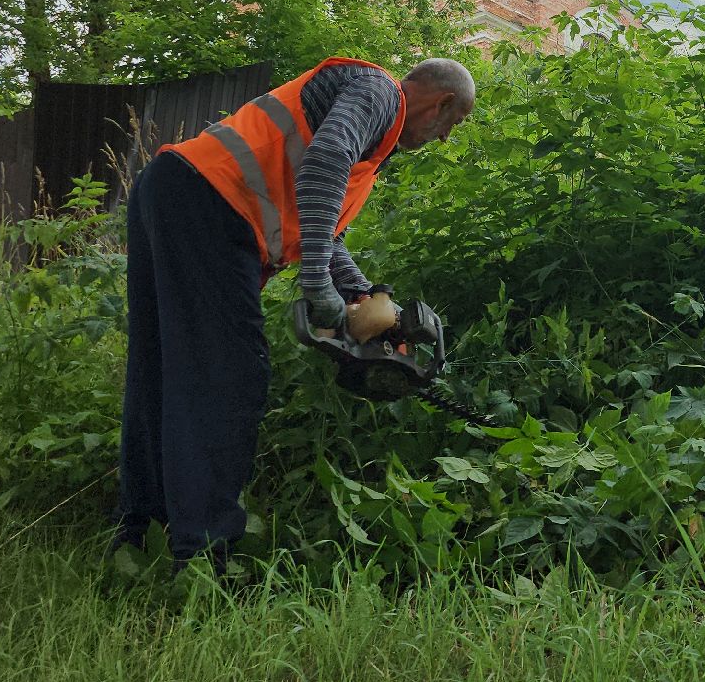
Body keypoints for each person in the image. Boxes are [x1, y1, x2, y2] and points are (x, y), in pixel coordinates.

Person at [113, 57, 475, 567]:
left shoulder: (372, 144)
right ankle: (203, 556)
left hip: (175, 189)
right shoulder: (379, 93)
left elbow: (323, 233)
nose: (443, 138)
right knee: (229, 373)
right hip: (213, 205)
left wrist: (364, 295)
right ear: (440, 103)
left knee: (162, 368)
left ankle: (141, 531)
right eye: (452, 124)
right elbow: (324, 162)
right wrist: (316, 284)